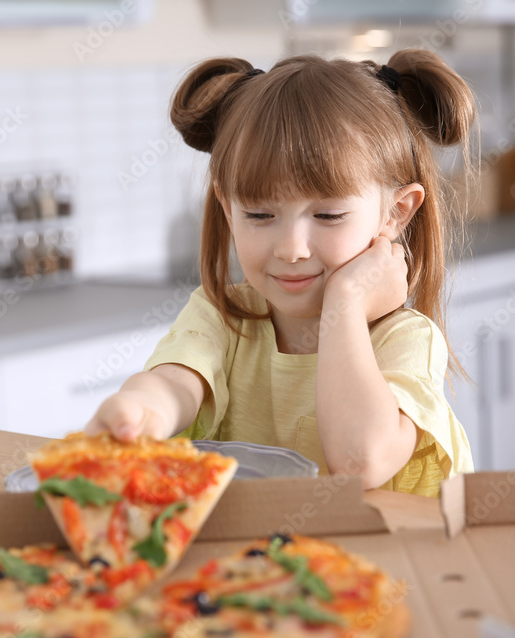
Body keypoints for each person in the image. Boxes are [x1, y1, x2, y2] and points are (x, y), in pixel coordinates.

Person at [85, 49, 476, 496]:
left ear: (396, 213)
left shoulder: (405, 339)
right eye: (258, 214)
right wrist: (140, 412)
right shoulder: (223, 317)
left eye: (327, 215)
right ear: (228, 210)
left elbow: (359, 461)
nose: (291, 249)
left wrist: (345, 303)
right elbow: (175, 384)